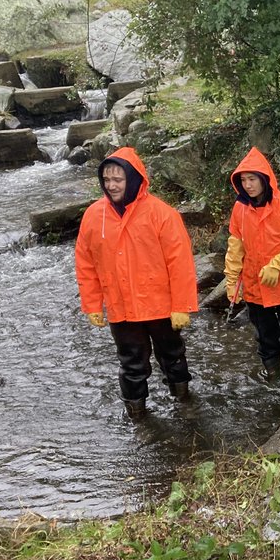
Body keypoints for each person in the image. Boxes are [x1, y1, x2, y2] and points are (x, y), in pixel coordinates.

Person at [75, 147, 198, 418]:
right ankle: (138, 417)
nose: (111, 185)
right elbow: (86, 264)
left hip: (161, 305)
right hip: (121, 308)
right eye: (106, 180)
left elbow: (180, 263)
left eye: (117, 179)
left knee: (172, 356)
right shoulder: (94, 216)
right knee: (131, 363)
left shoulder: (161, 213)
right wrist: (93, 304)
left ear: (132, 179)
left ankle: (185, 406)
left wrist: (182, 305)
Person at [223, 147, 280, 381]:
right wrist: (232, 282)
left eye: (252, 179)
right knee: (265, 337)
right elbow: (235, 249)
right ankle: (273, 377)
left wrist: (277, 264)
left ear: (264, 179)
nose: (248, 185)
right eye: (243, 180)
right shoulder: (240, 209)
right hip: (255, 285)